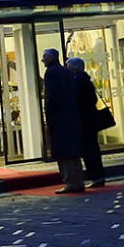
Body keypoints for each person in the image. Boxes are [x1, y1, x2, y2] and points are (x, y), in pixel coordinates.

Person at [41, 49, 85, 194]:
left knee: (63, 151)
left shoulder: (51, 73)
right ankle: (79, 180)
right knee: (73, 151)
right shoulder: (66, 72)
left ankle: (70, 181)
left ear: (52, 57)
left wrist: (48, 114)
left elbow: (51, 96)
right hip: (71, 115)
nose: (42, 60)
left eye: (44, 57)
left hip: (59, 117)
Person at [66, 57, 106, 188]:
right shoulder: (85, 80)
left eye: (68, 66)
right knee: (92, 147)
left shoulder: (78, 82)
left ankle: (95, 176)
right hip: (90, 119)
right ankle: (98, 176)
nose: (66, 69)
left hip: (85, 120)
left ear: (74, 68)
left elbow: (80, 100)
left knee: (89, 149)